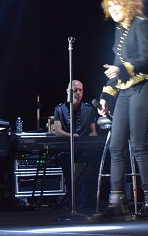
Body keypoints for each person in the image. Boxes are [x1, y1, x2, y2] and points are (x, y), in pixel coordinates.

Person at [97, 0, 148, 220]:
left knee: (137, 145)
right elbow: (117, 65)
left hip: (144, 85)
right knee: (115, 145)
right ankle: (117, 202)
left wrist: (121, 69)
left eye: (117, 4)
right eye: (110, 5)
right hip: (125, 89)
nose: (113, 9)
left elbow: (145, 58)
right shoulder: (119, 30)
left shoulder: (142, 24)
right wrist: (106, 96)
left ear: (128, 4)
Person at [53, 80, 99, 208]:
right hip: (67, 150)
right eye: (75, 90)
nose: (78, 93)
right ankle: (73, 192)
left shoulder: (89, 109)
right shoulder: (59, 109)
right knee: (63, 158)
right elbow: (57, 131)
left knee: (95, 158)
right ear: (68, 91)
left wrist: (90, 142)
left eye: (80, 90)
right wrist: (71, 136)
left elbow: (93, 132)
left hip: (84, 150)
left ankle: (83, 194)